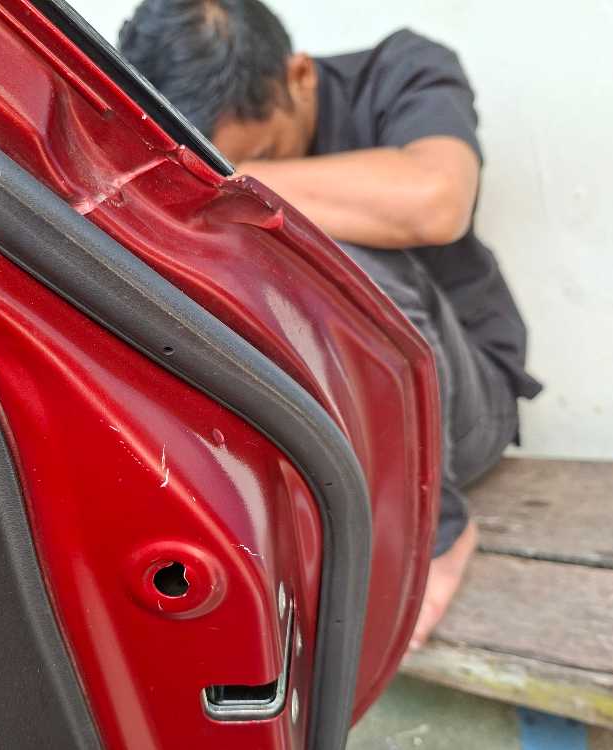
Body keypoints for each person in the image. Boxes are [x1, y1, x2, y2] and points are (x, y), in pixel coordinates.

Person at [119, 0, 542, 649]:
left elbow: (436, 202)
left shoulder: (405, 70)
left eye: (264, 151)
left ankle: (441, 535)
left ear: (300, 76)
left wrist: (217, 182)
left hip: (464, 408)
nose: (242, 173)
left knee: (318, 250)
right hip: (332, 428)